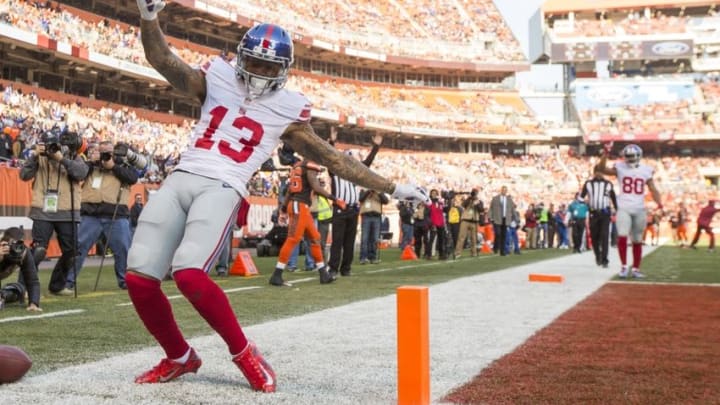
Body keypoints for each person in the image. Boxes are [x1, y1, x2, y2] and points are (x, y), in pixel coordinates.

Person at [129, 2, 427, 391]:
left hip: (223, 186)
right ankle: (180, 356)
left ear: (283, 71)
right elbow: (163, 60)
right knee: (139, 277)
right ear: (240, 58)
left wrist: (392, 187)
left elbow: (333, 159)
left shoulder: (287, 110)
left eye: (270, 67)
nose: (260, 72)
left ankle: (244, 352)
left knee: (188, 273)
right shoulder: (215, 77)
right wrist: (149, 18)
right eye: (255, 62)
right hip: (182, 176)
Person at [19, 129, 89, 296]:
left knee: (71, 252)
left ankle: (57, 285)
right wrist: (34, 156)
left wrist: (61, 159)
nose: (49, 148)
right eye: (46, 145)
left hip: (68, 211)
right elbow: (24, 175)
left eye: (52, 145)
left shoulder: (72, 156)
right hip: (42, 210)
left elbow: (81, 173)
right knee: (38, 251)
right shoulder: (38, 158)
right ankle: (23, 287)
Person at [66, 141, 139, 291]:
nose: (105, 155)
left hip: (116, 215)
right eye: (102, 152)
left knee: (123, 249)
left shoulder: (123, 166)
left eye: (109, 152)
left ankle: (124, 280)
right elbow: (78, 173)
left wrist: (113, 166)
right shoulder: (90, 166)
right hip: (90, 214)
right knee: (78, 248)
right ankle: (68, 281)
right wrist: (93, 162)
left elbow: (133, 178)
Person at [269, 158, 343, 286]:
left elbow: (289, 191)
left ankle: (323, 274)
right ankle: (276, 275)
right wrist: (334, 199)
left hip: (300, 206)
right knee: (293, 239)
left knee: (315, 238)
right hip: (300, 206)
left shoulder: (298, 166)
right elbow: (316, 187)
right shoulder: (309, 166)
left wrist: (284, 208)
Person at [596, 143, 663, 278]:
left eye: (632, 156)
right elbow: (601, 169)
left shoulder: (646, 170)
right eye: (628, 157)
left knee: (637, 239)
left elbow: (652, 188)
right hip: (624, 207)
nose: (630, 159)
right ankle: (624, 267)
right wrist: (606, 153)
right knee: (622, 235)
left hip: (639, 208)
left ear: (639, 156)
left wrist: (660, 204)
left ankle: (636, 269)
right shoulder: (620, 166)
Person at [327, 128, 383, 277]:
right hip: (340, 208)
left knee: (349, 242)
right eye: (347, 159)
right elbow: (329, 156)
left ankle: (346, 268)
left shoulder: (355, 173)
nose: (349, 162)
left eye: (351, 159)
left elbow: (367, 163)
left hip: (352, 209)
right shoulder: (334, 170)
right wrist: (332, 142)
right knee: (337, 241)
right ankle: (333, 268)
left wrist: (376, 147)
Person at [581, 167, 618, 268]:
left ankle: (605, 259)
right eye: (597, 172)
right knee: (594, 236)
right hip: (593, 213)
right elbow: (581, 197)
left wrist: (617, 209)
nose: (599, 174)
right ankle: (598, 255)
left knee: (604, 235)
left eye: (601, 172)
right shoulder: (588, 184)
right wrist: (584, 203)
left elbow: (613, 197)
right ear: (594, 173)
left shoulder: (608, 184)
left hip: (605, 213)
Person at [0, 227, 42, 312]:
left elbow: (32, 280)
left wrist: (33, 303)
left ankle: (12, 291)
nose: (16, 248)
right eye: (12, 244)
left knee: (18, 291)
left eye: (19, 244)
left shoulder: (23, 251)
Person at [358, 188, 389, 264]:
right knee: (365, 238)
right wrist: (368, 191)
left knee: (375, 238)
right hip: (366, 216)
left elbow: (386, 201)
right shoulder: (363, 190)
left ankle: (372, 257)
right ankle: (363, 257)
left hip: (376, 216)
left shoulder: (379, 191)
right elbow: (360, 199)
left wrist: (378, 192)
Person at [454, 190, 483, 258]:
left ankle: (474, 252)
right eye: (473, 193)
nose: (474, 195)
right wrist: (469, 198)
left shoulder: (479, 201)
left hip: (475, 221)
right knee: (461, 237)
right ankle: (458, 253)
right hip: (465, 220)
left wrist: (477, 203)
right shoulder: (468, 199)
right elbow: (463, 205)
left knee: (474, 238)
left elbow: (481, 210)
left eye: (475, 193)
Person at [488, 186, 515, 256]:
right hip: (497, 219)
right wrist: (490, 217)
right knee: (498, 233)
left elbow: (513, 209)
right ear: (501, 190)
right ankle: (495, 247)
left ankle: (502, 251)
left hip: (506, 219)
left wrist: (515, 219)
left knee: (503, 235)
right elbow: (491, 208)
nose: (504, 191)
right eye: (503, 190)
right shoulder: (495, 198)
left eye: (505, 190)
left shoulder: (509, 199)